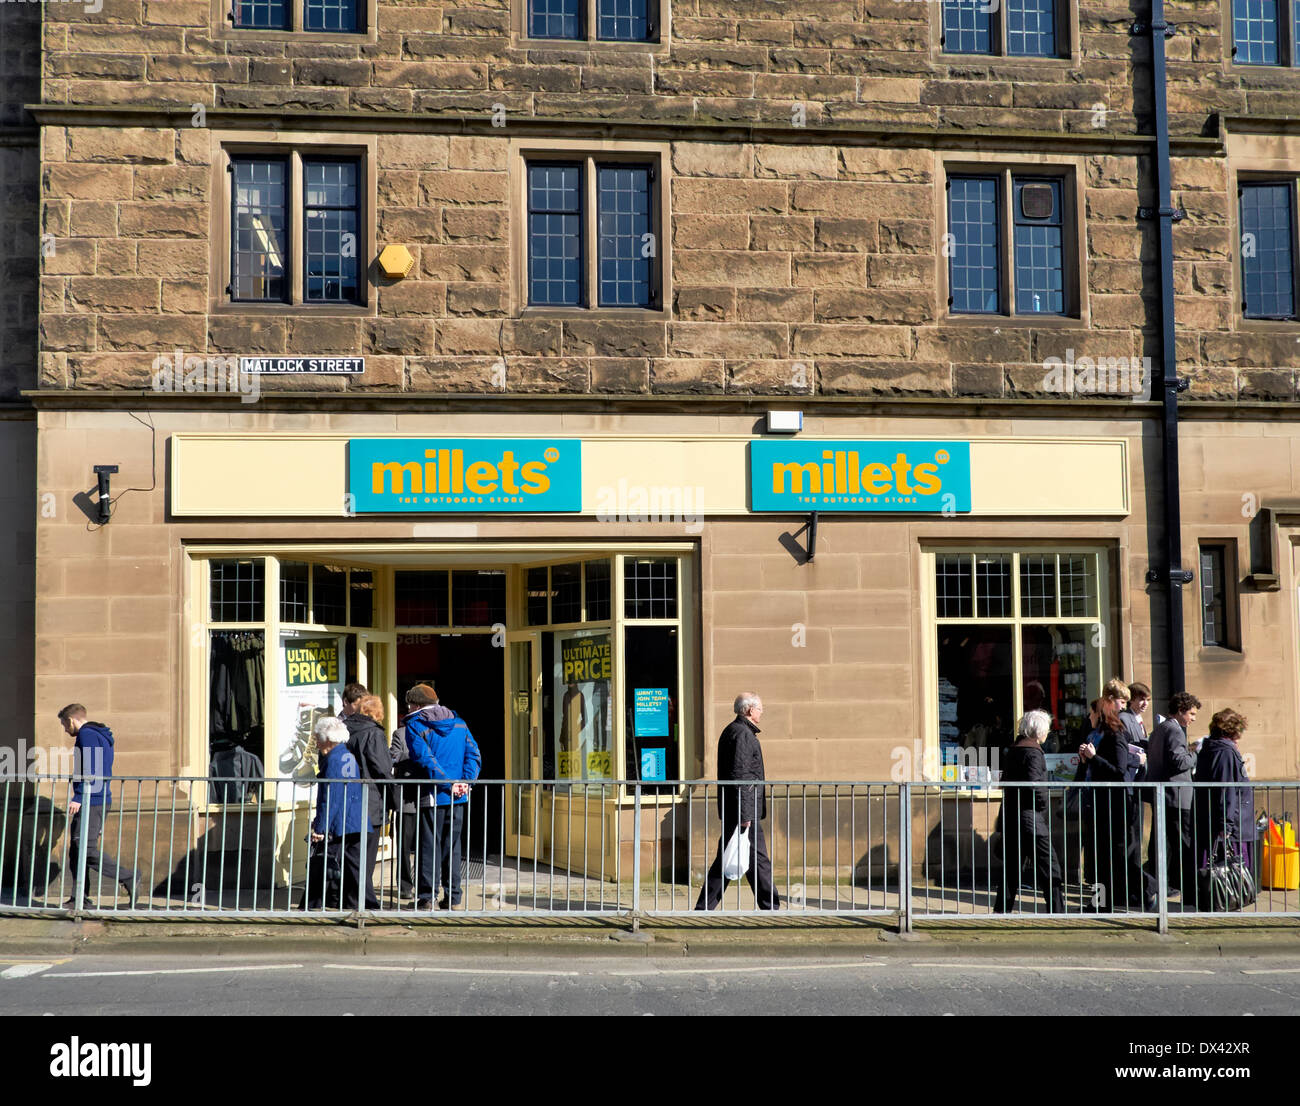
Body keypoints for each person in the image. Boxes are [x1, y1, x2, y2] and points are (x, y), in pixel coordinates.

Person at [694, 692, 781, 911]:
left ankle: (706, 907)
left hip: (741, 809)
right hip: (743, 812)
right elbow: (741, 776)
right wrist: (745, 815)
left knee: (746, 860)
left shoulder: (736, 731)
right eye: (760, 708)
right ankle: (770, 907)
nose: (762, 712)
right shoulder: (742, 734)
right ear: (751, 710)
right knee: (750, 860)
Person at [1079, 678, 1157, 913]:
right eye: (1119, 702)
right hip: (1102, 802)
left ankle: (1147, 889)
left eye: (1122, 702)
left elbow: (1119, 770)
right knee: (1103, 856)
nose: (1121, 707)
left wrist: (1094, 758)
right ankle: (1102, 902)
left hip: (1117, 803)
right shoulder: (1100, 731)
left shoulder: (1115, 732)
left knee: (1118, 856)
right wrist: (1087, 758)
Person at [403, 683, 481, 910]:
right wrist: (463, 782)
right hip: (458, 795)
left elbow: (425, 759)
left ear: (415, 705)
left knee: (429, 846)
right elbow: (474, 755)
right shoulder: (460, 723)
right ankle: (454, 897)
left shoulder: (416, 725)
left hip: (432, 795)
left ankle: (427, 898)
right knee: (453, 847)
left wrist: (447, 783)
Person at [58, 704, 139, 909]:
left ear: (71, 720)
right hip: (96, 798)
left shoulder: (86, 735)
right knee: (77, 850)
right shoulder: (99, 735)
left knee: (85, 848)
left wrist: (78, 796)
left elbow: (92, 767)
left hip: (91, 799)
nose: (65, 730)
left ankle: (128, 877)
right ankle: (79, 898)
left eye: (64, 725)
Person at [994, 710, 1064, 915]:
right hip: (1030, 819)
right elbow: (1035, 786)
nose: (1047, 733)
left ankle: (1001, 912)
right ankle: (1058, 913)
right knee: (1050, 869)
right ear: (1039, 731)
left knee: (1011, 870)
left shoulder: (1014, 749)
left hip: (1013, 816)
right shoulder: (1033, 752)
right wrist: (1042, 804)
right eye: (1046, 729)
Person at [301, 717, 366, 910]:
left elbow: (331, 797)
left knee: (323, 865)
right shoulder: (346, 755)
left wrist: (320, 827)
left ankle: (312, 905)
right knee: (347, 867)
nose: (315, 740)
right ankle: (342, 903)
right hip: (352, 819)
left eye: (318, 736)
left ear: (328, 738)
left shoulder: (334, 760)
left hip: (340, 821)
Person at [1193, 708, 1255, 910]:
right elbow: (1226, 790)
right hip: (1230, 822)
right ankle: (1227, 902)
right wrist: (1226, 824)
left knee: (1218, 866)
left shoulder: (1211, 748)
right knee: (1230, 866)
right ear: (1233, 731)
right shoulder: (1225, 751)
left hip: (1217, 819)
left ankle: (1219, 902)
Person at [1146, 691, 1201, 897]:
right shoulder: (1175, 730)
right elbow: (1179, 762)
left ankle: (1159, 884)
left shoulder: (1160, 728)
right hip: (1175, 795)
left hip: (1163, 794)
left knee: (1162, 842)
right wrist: (1194, 753)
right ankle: (1186, 888)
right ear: (1180, 711)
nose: (1193, 719)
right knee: (1181, 843)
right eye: (1192, 714)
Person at [342, 693, 393, 910]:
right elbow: (381, 768)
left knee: (352, 853)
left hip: (346, 797)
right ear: (375, 713)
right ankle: (366, 903)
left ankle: (352, 898)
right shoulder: (373, 733)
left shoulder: (344, 729)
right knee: (366, 855)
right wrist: (393, 793)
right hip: (370, 799)